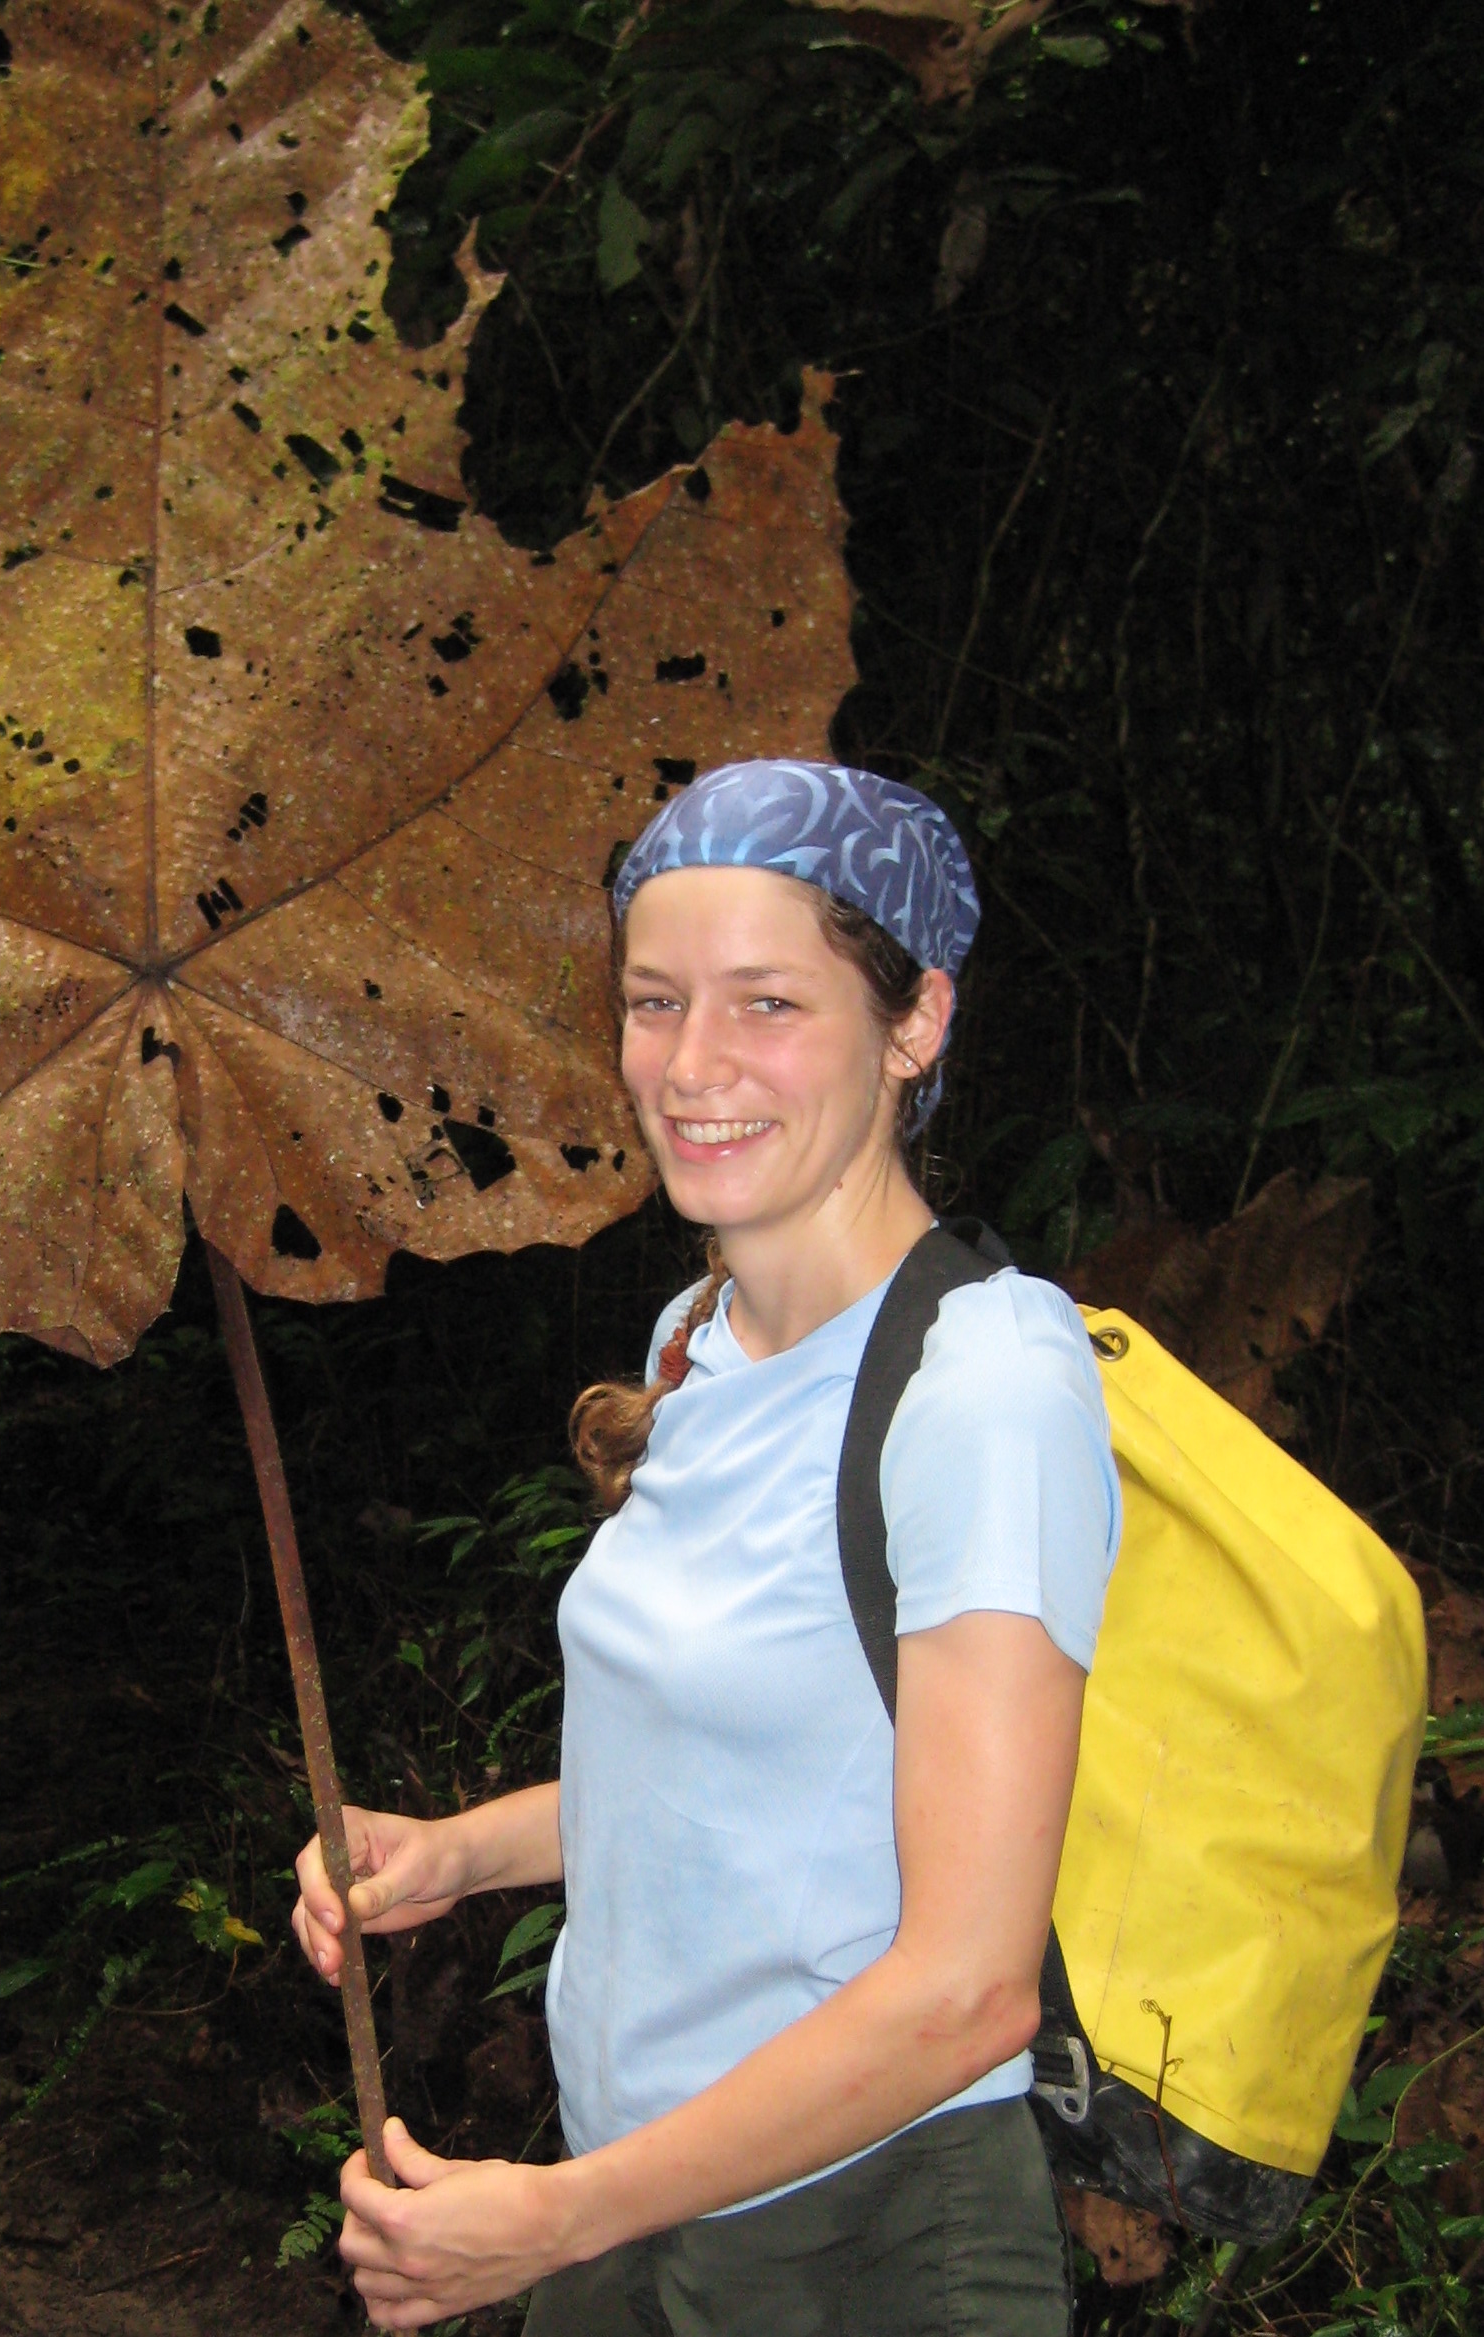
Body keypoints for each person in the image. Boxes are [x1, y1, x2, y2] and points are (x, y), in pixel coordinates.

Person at [292, 760, 1120, 2334]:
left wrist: (548, 2219)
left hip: (855, 2233)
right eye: (651, 1001)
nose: (688, 1065)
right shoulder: (694, 1341)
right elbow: (732, 1775)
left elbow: (966, 1990)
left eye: (766, 1004)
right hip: (639, 2189)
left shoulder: (983, 1386)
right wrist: (455, 1852)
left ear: (913, 1023)